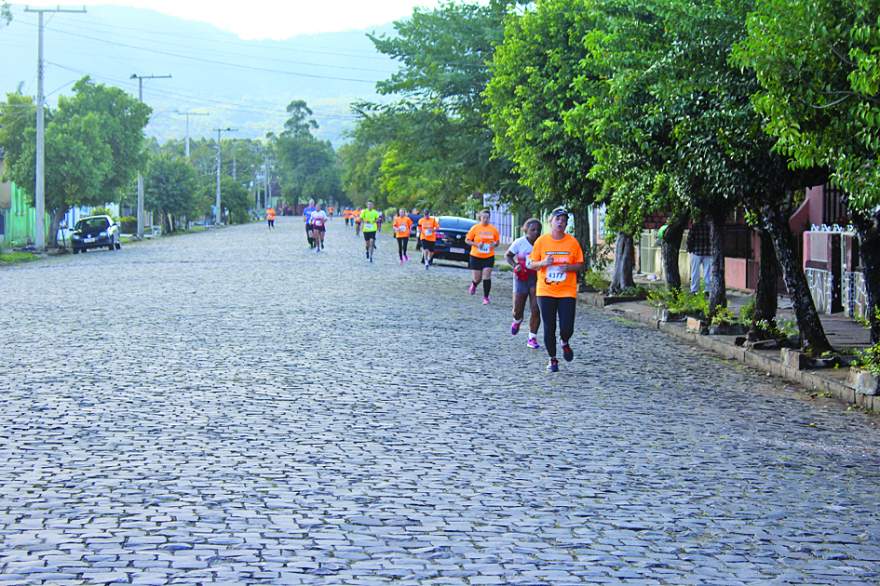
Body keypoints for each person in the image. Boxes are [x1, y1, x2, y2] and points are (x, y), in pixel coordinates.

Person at [528, 207, 585, 372]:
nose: (561, 222)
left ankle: (565, 341)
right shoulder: (541, 241)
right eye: (558, 219)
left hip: (567, 290)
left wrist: (568, 267)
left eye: (564, 220)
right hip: (546, 291)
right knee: (549, 326)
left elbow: (580, 264)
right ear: (550, 221)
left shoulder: (572, 242)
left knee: (567, 326)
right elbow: (531, 264)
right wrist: (543, 263)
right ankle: (552, 359)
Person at [506, 218, 542, 349]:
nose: (536, 232)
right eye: (533, 230)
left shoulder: (542, 243)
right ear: (526, 230)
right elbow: (508, 255)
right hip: (521, 278)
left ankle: (532, 337)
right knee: (517, 309)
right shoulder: (519, 243)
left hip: (536, 279)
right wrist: (515, 265)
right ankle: (517, 320)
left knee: (536, 309)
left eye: (538, 230)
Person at [465, 209, 501, 304]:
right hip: (476, 256)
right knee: (477, 278)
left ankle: (486, 297)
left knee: (486, 276)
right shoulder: (475, 228)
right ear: (480, 217)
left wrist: (494, 244)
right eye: (483, 217)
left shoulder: (493, 229)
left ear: (489, 218)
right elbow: (467, 240)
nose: (485, 219)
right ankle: (474, 284)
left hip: (488, 256)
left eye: (487, 218)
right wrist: (476, 244)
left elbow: (497, 242)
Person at [686, 217, 712, 293]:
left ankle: (694, 290)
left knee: (695, 272)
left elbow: (689, 239)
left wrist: (689, 249)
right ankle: (708, 289)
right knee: (708, 273)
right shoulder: (709, 227)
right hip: (708, 252)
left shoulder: (694, 226)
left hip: (696, 252)